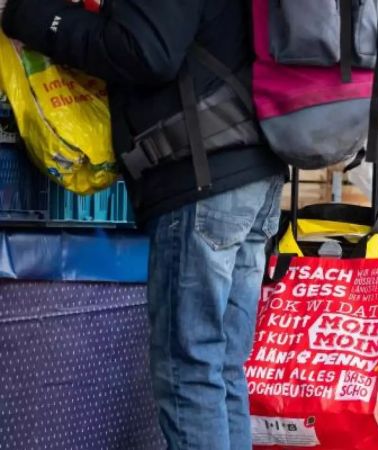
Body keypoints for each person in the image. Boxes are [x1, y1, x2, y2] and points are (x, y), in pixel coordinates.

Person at [2, 1, 285, 449]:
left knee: (190, 370)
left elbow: (146, 49)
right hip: (251, 175)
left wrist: (32, 16)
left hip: (202, 180)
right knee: (221, 367)